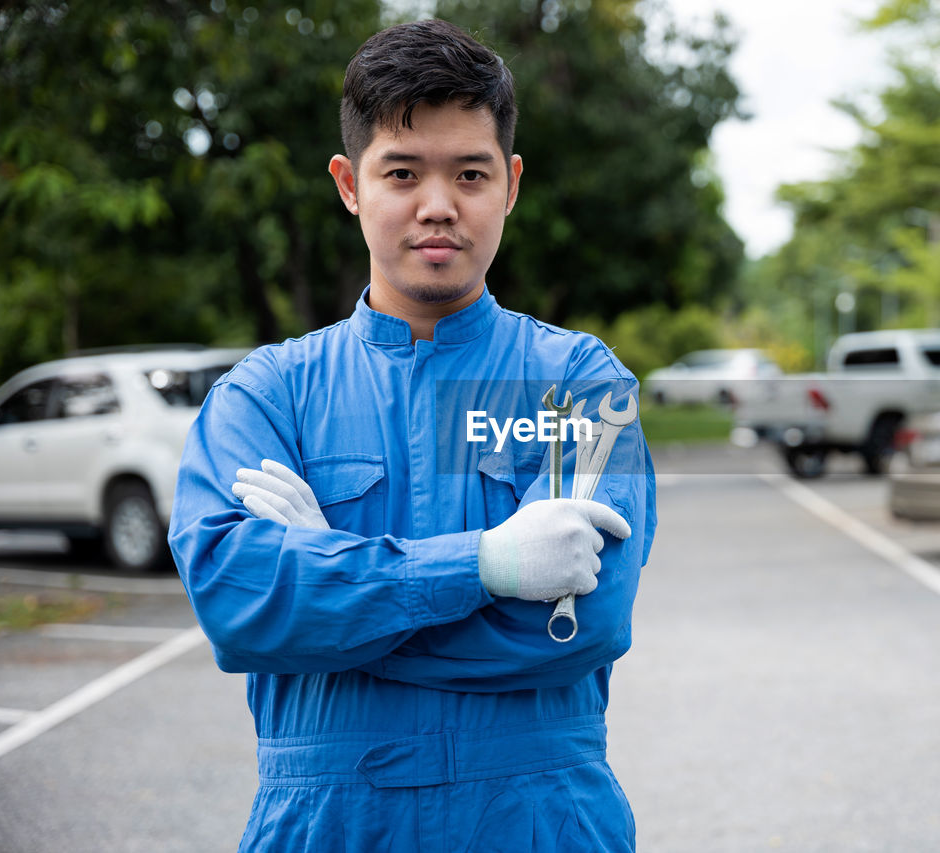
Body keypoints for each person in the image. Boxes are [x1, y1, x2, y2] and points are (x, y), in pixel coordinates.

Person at [168, 18, 656, 852]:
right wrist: (488, 566)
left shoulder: (577, 384)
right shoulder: (269, 394)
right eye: (402, 172)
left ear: (510, 183)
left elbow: (587, 621)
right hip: (326, 820)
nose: (439, 205)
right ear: (350, 184)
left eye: (470, 172)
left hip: (538, 819)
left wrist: (330, 598)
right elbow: (240, 606)